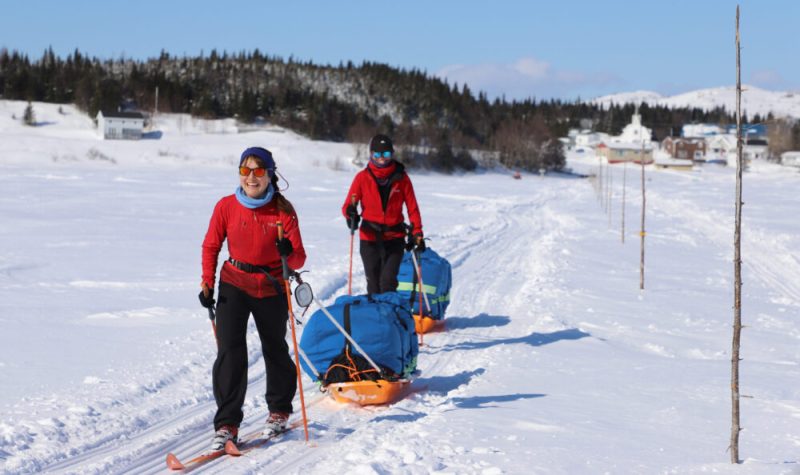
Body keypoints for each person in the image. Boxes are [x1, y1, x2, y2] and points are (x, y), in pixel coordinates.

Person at [199, 146, 306, 451]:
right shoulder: (226, 206)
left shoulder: (282, 211)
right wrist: (207, 282)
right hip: (234, 281)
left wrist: (288, 255)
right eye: (245, 170)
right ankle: (227, 425)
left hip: (271, 285)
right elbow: (211, 245)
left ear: (270, 174)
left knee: (274, 348)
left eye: (258, 171)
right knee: (230, 353)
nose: (251, 177)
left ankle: (279, 410)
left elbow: (299, 257)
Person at [342, 134, 424, 295]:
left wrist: (417, 232)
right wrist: (351, 213)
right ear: (371, 154)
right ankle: (375, 318)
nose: (382, 159)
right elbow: (348, 205)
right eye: (377, 155)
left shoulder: (402, 178)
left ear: (392, 154)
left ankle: (389, 317)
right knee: (373, 285)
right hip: (369, 238)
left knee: (388, 282)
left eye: (386, 154)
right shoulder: (362, 178)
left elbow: (412, 208)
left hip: (395, 238)